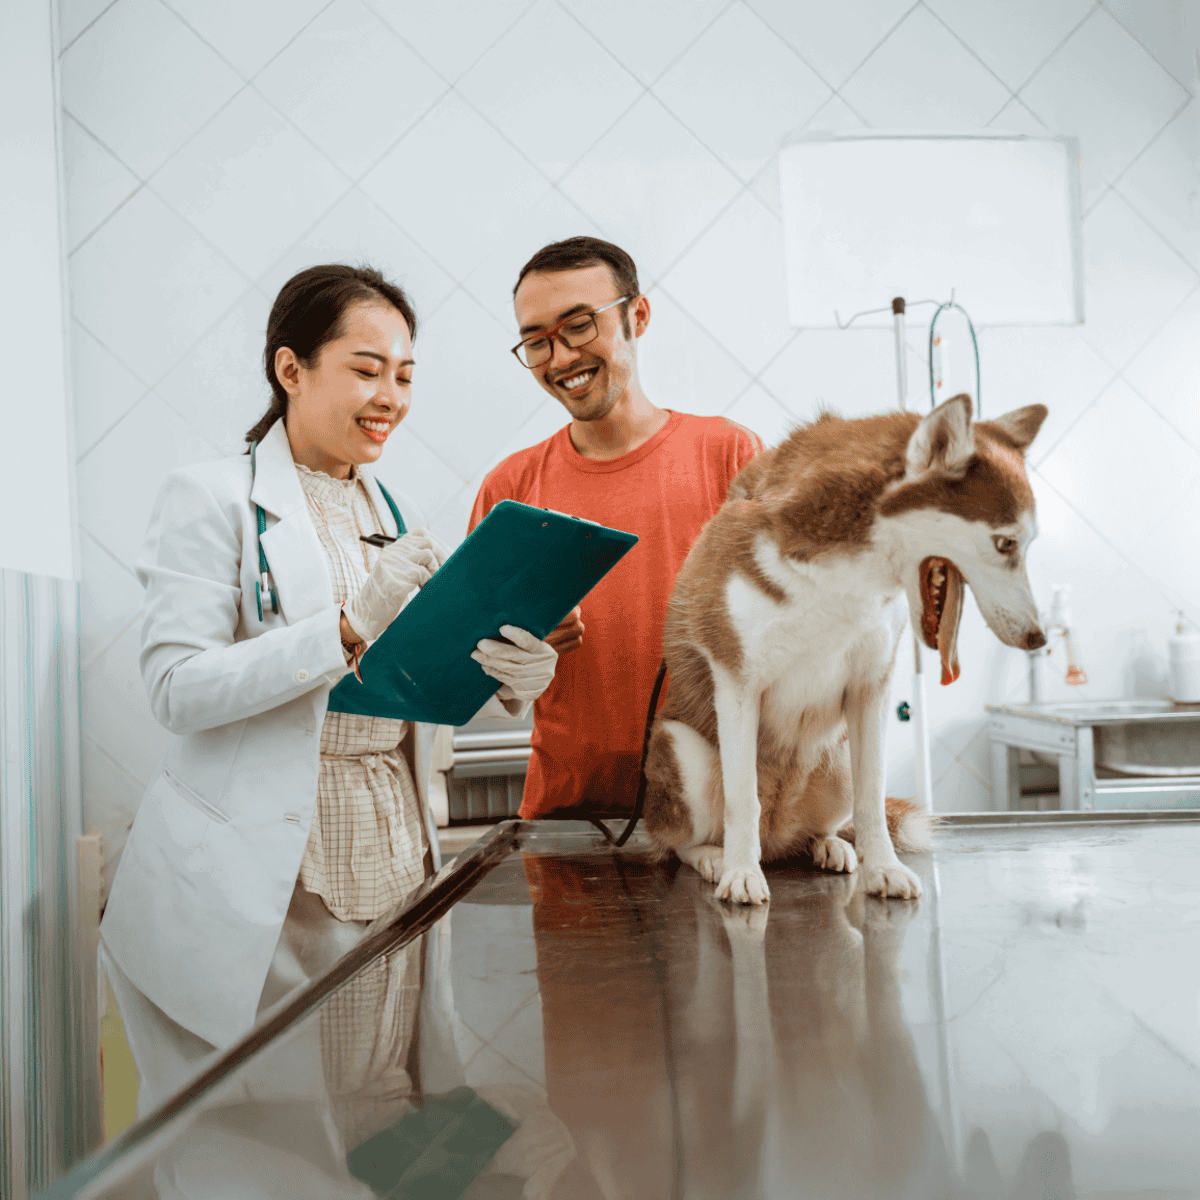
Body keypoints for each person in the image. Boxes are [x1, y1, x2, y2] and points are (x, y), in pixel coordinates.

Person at [99, 264, 562, 1112]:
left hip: (395, 858)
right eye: (366, 368)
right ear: (290, 370)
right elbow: (176, 688)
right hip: (269, 873)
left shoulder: (399, 508)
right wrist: (346, 625)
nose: (391, 395)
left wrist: (511, 681)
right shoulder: (210, 499)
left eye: (405, 374)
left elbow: (412, 690)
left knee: (391, 1097)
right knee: (269, 1132)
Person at [470, 237, 763, 821]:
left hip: (724, 816)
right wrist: (519, 659)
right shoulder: (510, 490)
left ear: (638, 316)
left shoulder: (730, 456)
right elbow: (484, 684)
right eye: (536, 341)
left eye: (579, 326)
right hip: (570, 819)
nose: (559, 357)